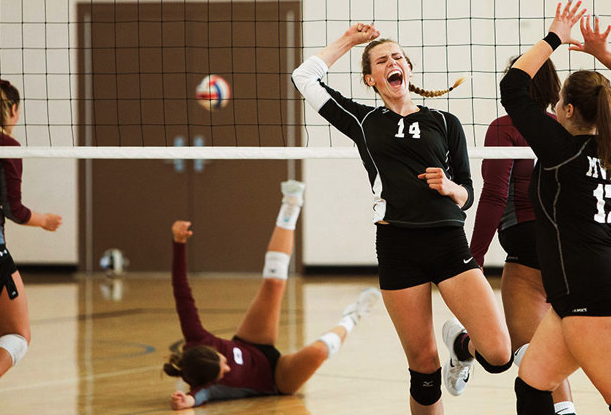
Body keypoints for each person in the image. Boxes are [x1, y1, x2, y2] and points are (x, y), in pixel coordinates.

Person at [292, 23, 512, 415]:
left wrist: (450, 187)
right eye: (381, 60)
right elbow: (304, 77)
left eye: (397, 57)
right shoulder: (363, 121)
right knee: (424, 369)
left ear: (408, 69)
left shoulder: (445, 122)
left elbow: (468, 194)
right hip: (398, 247)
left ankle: (461, 346)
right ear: (370, 78)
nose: (392, 62)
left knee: (498, 354)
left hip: (447, 242)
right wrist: (351, 40)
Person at [500, 1, 611, 415]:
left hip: (590, 290)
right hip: (582, 289)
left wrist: (556, 35)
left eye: (558, 102)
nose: (554, 108)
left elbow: (513, 86)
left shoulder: (561, 150)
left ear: (569, 110)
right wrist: (602, 54)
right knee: (532, 388)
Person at [163, 180, 381, 409]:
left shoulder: (196, 336)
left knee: (274, 283)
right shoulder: (208, 387)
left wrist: (178, 243)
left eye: (223, 362)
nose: (228, 368)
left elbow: (181, 292)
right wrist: (187, 400)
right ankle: (353, 316)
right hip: (276, 378)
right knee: (318, 351)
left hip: (251, 343)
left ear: (207, 350)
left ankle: (291, 203)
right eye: (223, 372)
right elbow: (199, 396)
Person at [470, 57, 577, 415]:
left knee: (521, 353)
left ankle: (460, 347)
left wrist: (475, 258)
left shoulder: (505, 126)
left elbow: (494, 195)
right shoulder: (564, 127)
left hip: (528, 244)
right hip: (572, 247)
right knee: (546, 351)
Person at [0, 77, 63, 415]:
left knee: (1, 328)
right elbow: (16, 210)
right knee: (19, 335)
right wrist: (45, 221)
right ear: (11, 109)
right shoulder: (5, 145)